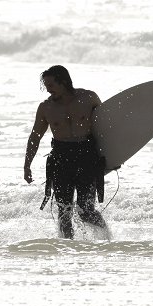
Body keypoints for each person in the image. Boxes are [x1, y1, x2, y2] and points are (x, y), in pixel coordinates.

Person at [23, 65, 108, 239]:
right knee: (64, 211)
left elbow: (106, 127)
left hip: (86, 155)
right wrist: (27, 165)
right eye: (46, 85)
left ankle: (107, 238)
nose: (48, 89)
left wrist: (114, 155)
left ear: (64, 82)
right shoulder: (46, 108)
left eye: (51, 85)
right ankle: (68, 249)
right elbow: (35, 137)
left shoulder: (88, 98)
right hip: (61, 158)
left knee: (86, 210)